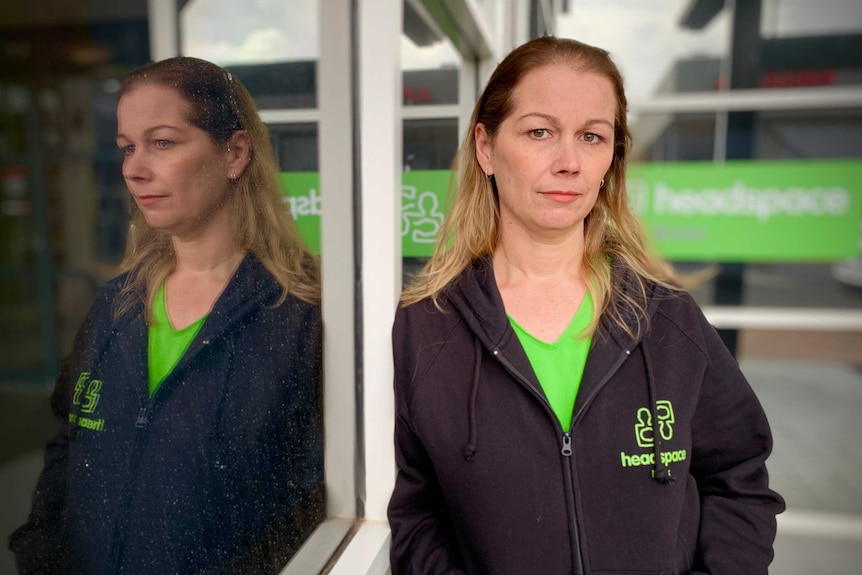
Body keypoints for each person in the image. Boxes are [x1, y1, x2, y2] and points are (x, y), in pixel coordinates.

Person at [388, 36, 784, 574]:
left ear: (611, 158)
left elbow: (739, 476)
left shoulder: (667, 317)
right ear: (485, 147)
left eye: (592, 136)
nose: (569, 162)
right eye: (539, 131)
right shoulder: (424, 328)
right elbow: (417, 518)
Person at [9, 57, 324, 574]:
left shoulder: (297, 319)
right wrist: (40, 555)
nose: (134, 168)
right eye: (127, 147)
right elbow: (70, 441)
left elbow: (310, 503)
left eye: (162, 142)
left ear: (235, 152)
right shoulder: (116, 306)